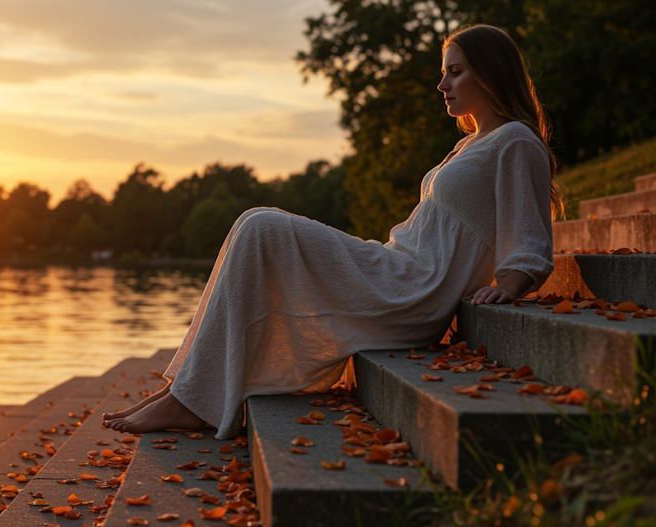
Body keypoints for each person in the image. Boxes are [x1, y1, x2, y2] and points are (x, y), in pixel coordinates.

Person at [102, 24, 563, 438]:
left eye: (455, 72)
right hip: (393, 268)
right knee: (253, 225)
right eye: (444, 73)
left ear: (490, 73)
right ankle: (187, 392)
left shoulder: (516, 141)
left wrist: (511, 281)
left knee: (263, 226)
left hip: (412, 290)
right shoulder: (469, 144)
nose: (442, 84)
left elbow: (529, 234)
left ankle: (191, 400)